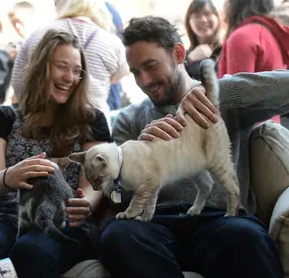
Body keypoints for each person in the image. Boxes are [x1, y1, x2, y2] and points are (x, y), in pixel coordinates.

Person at [99, 16, 286, 278]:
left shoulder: (222, 100)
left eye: (151, 66)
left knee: (247, 237)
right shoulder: (129, 120)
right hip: (153, 226)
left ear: (178, 53)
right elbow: (112, 194)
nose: (145, 80)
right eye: (135, 72)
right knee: (118, 237)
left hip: (220, 221)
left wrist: (220, 91)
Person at [0, 29, 112, 278]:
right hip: (3, 214)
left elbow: (95, 183)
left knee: (32, 250)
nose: (70, 77)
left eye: (77, 70)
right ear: (40, 67)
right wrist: (9, 176)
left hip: (64, 218)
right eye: (61, 66)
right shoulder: (3, 117)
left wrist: (86, 204)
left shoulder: (91, 120)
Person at [11, 0, 127, 127]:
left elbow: (18, 84)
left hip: (43, 126)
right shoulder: (110, 41)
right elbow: (118, 76)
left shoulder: (37, 35)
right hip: (92, 127)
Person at [219, 0, 289, 124]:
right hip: (271, 131)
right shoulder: (270, 33)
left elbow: (238, 101)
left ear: (235, 1)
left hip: (250, 137)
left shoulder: (242, 37)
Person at [184, 0, 222, 80]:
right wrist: (189, 59)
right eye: (197, 16)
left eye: (207, 13)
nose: (203, 20)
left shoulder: (226, 49)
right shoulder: (183, 56)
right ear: (188, 22)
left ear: (217, 17)